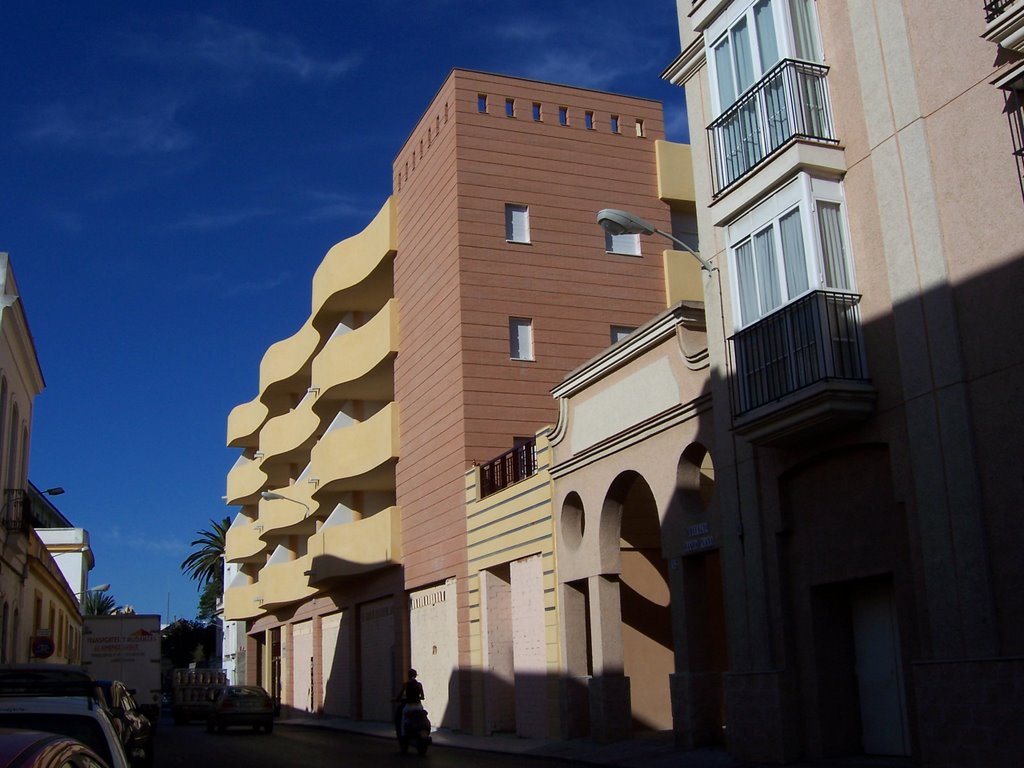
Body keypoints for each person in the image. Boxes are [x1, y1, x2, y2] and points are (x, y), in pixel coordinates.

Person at [393, 669, 425, 737]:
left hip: (409, 707)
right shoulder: (419, 685)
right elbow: (422, 697)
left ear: (408, 676)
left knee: (403, 718)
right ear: (416, 676)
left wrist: (396, 699)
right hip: (418, 706)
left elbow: (399, 696)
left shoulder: (406, 684)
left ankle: (403, 735)